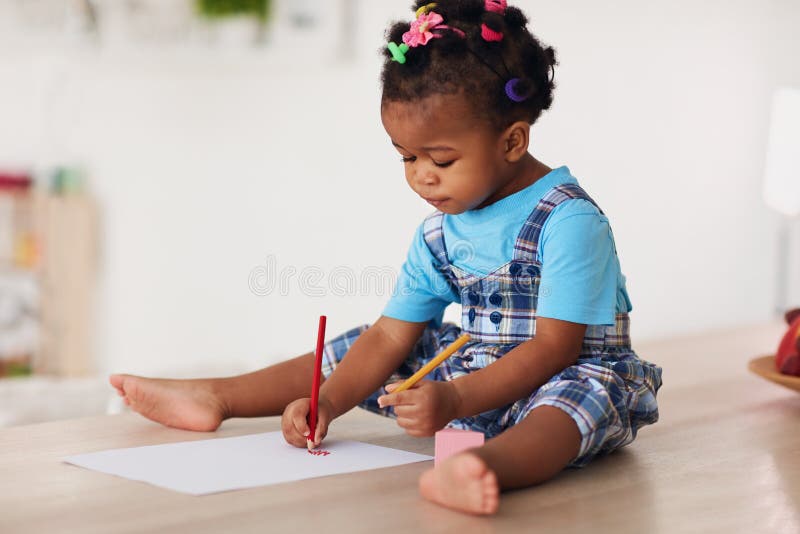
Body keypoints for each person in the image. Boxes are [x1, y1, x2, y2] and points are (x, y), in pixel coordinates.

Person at [109, 0, 662, 515]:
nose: (422, 175)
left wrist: (455, 398)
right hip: (472, 378)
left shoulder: (568, 221)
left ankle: (481, 467)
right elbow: (390, 336)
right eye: (406, 157)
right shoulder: (440, 233)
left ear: (512, 142)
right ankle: (217, 397)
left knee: (574, 402)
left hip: (560, 374)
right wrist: (329, 403)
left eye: (441, 159)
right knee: (358, 345)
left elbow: (553, 348)